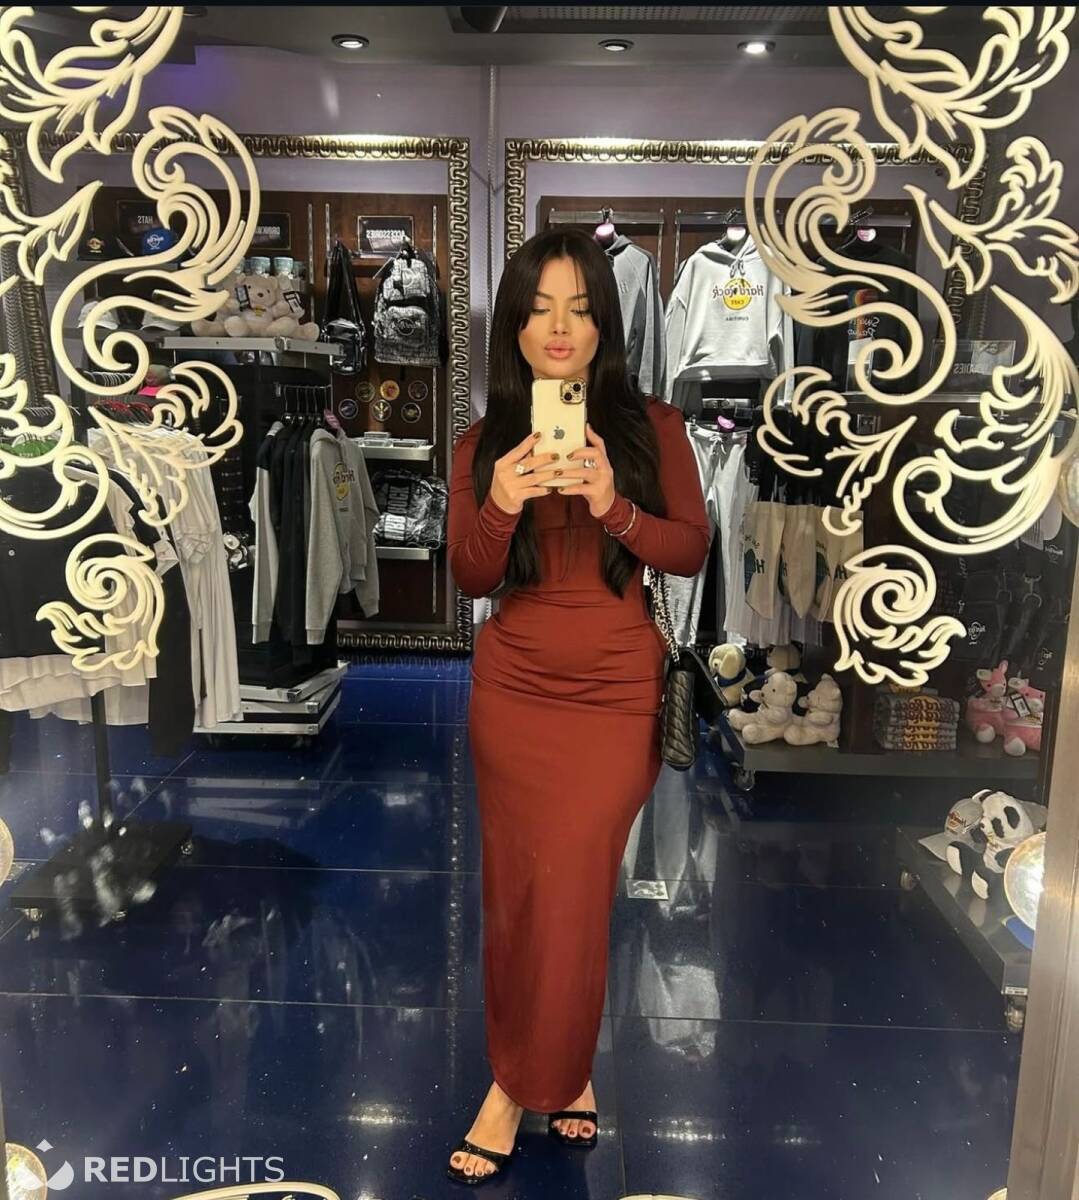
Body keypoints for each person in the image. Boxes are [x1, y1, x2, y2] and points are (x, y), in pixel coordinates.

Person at [445, 227, 709, 1185]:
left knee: (572, 891)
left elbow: (688, 550)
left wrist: (611, 503)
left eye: (581, 309)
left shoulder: (654, 429)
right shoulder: (481, 444)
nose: (560, 328)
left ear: (604, 326)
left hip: (614, 698)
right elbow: (472, 574)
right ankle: (544, 1071)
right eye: (539, 308)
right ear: (514, 328)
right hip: (513, 695)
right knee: (519, 892)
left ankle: (529, 1079)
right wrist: (500, 498)